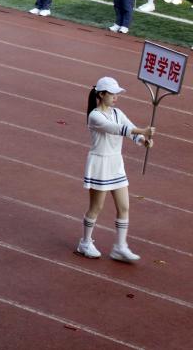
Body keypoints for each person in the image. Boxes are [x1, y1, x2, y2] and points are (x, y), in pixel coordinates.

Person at [76, 76, 154, 263]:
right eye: (112, 94)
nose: (116, 97)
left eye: (117, 94)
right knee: (96, 207)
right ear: (101, 94)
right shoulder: (95, 116)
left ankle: (120, 247)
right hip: (100, 165)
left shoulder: (118, 112)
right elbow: (117, 129)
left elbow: (129, 128)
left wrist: (143, 140)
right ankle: (85, 243)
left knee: (124, 207)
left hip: (116, 164)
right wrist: (143, 130)